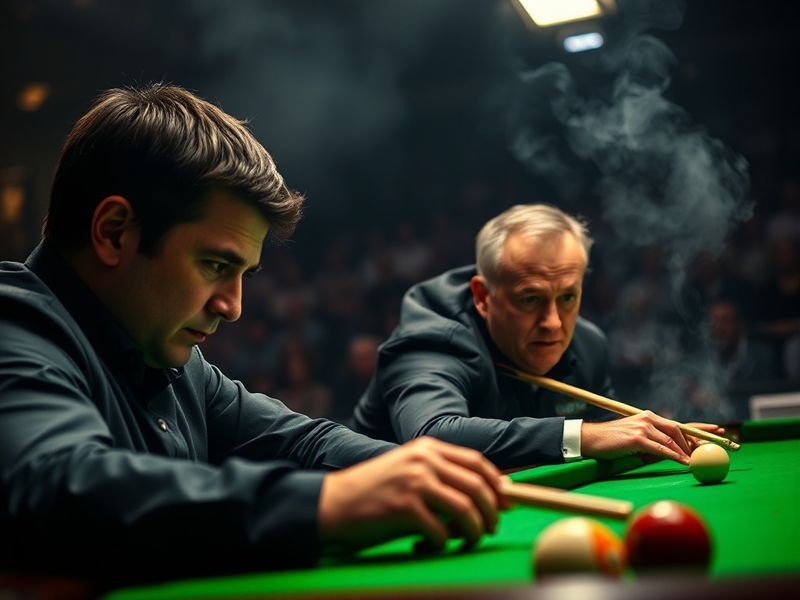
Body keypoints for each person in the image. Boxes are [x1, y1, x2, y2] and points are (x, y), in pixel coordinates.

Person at [0, 85, 505, 581]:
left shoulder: (171, 359)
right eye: (215, 264)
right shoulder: (13, 323)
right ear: (114, 232)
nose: (234, 307)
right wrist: (328, 504)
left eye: (244, 274)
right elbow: (60, 487)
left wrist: (424, 470)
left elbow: (304, 443)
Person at [352, 204, 723, 470]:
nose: (553, 323)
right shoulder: (430, 338)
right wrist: (584, 436)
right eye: (530, 299)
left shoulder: (588, 344)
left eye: (567, 297)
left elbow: (612, 435)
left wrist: (642, 441)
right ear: (483, 297)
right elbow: (431, 435)